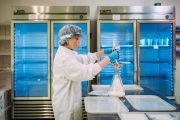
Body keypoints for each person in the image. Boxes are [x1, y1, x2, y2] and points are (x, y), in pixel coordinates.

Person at [52, 24, 119, 120]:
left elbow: (87, 58)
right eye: (76, 39)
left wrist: (104, 51)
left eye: (79, 39)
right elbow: (86, 72)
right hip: (66, 105)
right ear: (67, 39)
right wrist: (108, 59)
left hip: (71, 101)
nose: (79, 42)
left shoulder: (69, 53)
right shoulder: (64, 58)